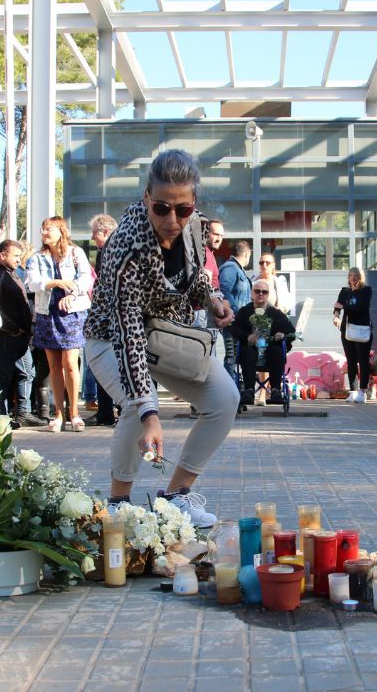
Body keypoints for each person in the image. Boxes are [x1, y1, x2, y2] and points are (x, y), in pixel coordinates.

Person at [84, 149, 236, 527]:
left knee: (225, 399)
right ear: (147, 198)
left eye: (182, 210)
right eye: (162, 208)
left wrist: (212, 299)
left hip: (165, 336)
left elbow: (195, 277)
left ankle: (176, 497)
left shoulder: (197, 227)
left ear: (194, 204)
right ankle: (118, 503)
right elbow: (128, 331)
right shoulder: (126, 247)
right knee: (139, 406)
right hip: (110, 336)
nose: (172, 220)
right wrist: (152, 414)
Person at [26, 216, 94, 432]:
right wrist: (54, 283)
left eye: (49, 229)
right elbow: (32, 282)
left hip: (71, 311)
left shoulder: (76, 253)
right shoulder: (37, 258)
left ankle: (74, 412)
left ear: (61, 232)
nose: (45, 233)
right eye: (43, 229)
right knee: (53, 366)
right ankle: (58, 414)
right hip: (47, 312)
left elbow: (86, 279)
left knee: (71, 364)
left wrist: (71, 292)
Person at [0, 240, 44, 427]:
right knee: (3, 377)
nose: (18, 260)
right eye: (15, 256)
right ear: (2, 255)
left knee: (27, 372)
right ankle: (1, 416)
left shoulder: (12, 273)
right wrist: (12, 328)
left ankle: (23, 412)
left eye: (20, 256)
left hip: (20, 336)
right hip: (6, 336)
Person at [231, 279, 296, 406]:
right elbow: (234, 329)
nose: (261, 294)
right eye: (257, 291)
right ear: (252, 294)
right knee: (248, 351)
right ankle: (249, 390)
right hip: (251, 349)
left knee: (276, 350)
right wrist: (247, 336)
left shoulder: (275, 313)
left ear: (268, 295)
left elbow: (291, 331)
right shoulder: (245, 311)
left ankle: (276, 390)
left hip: (271, 350)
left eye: (264, 292)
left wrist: (282, 334)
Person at [82, 214, 118, 426]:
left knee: (104, 363)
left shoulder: (108, 251)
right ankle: (111, 410)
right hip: (115, 316)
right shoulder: (118, 248)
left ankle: (106, 412)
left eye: (94, 232)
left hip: (108, 318)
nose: (92, 236)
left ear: (104, 232)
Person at [333, 267, 373, 403]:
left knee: (363, 360)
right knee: (350, 361)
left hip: (362, 329)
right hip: (347, 330)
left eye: (356, 275)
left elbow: (361, 307)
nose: (353, 277)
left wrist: (343, 306)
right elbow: (337, 308)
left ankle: (363, 391)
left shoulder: (366, 290)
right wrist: (336, 317)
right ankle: (353, 391)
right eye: (351, 275)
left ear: (360, 277)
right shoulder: (344, 291)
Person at [218, 240, 253, 376]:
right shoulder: (231, 267)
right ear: (246, 254)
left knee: (236, 356)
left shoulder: (237, 269)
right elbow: (224, 290)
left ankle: (235, 389)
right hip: (233, 322)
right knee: (232, 357)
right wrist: (237, 312)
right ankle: (230, 391)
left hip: (239, 323)